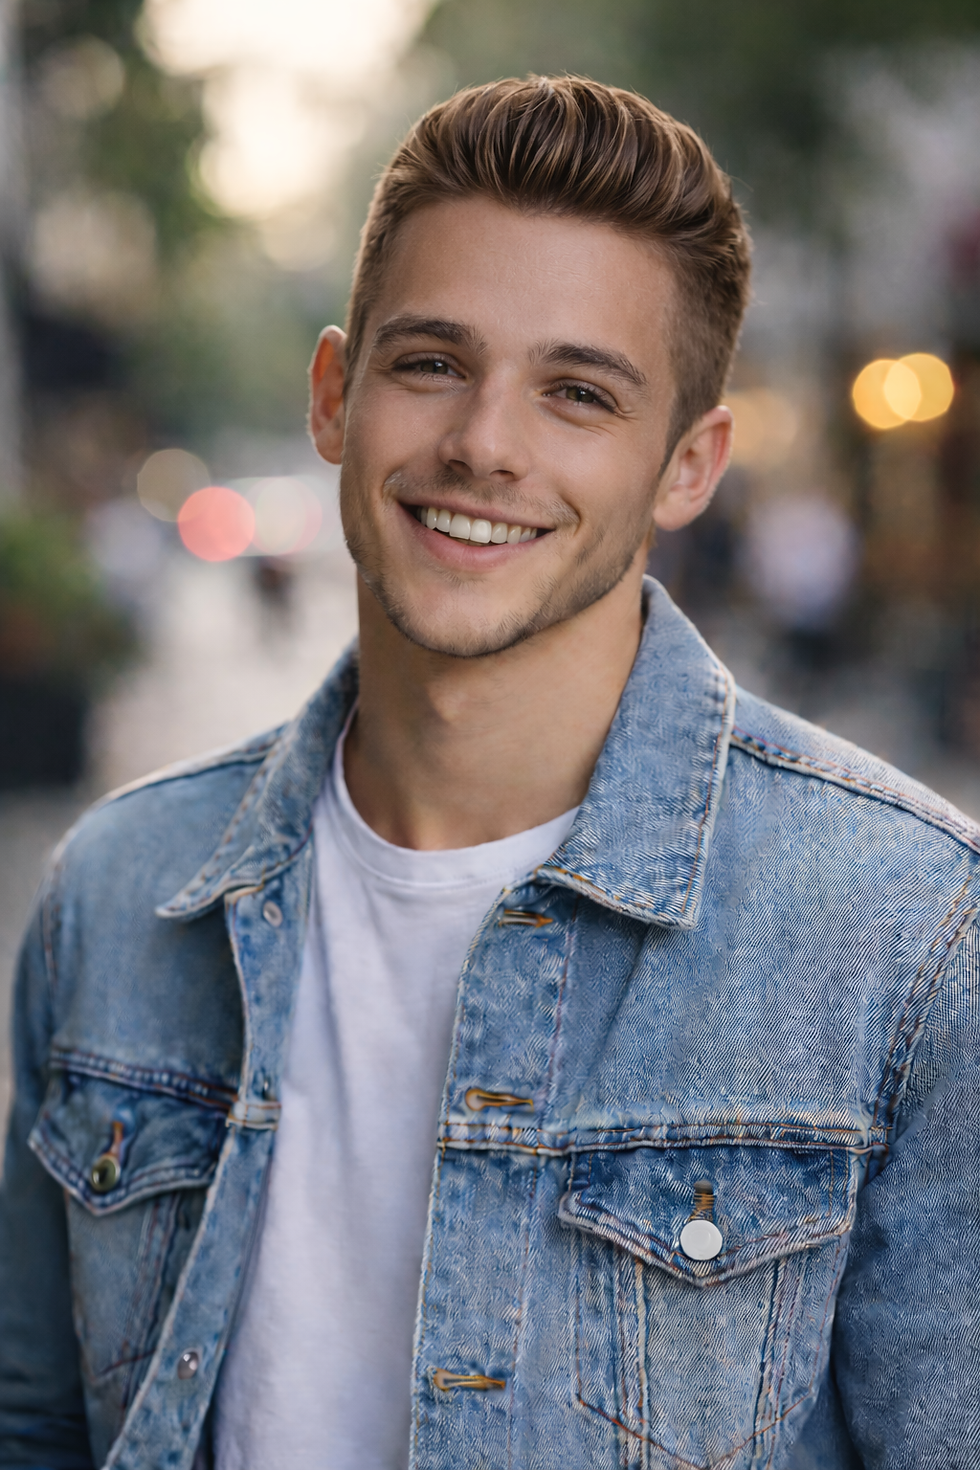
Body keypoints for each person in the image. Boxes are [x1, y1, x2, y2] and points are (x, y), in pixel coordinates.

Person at [0, 75, 977, 1470]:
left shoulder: (907, 934)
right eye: (431, 362)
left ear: (687, 465)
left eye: (578, 392)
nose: (484, 443)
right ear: (336, 394)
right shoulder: (119, 890)